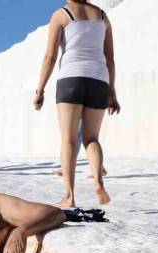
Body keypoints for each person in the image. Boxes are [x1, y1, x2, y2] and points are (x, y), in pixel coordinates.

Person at [34, 0, 120, 208]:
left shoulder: (61, 14)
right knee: (91, 138)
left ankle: (70, 196)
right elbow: (110, 57)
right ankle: (98, 182)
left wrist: (40, 90)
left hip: (71, 78)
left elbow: (50, 56)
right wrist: (112, 93)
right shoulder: (102, 16)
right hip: (99, 79)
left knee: (69, 139)